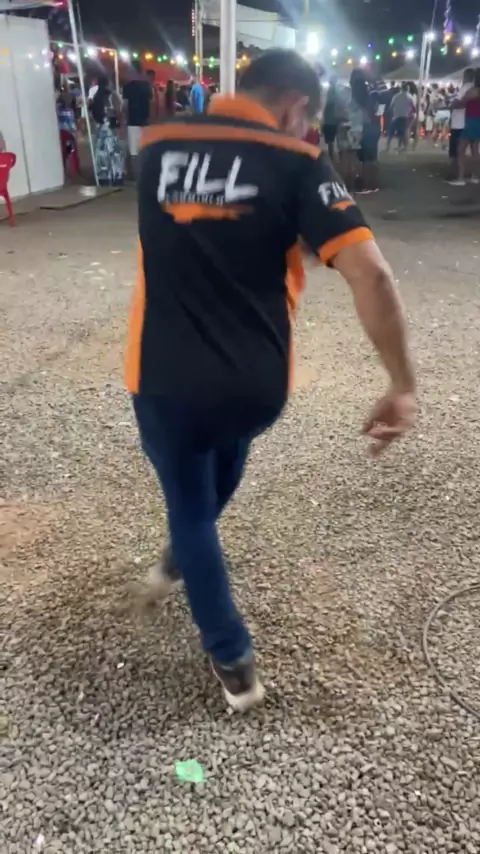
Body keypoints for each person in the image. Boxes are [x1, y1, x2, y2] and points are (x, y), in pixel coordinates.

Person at [125, 48, 416, 711]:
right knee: (214, 477)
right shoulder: (296, 161)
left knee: (191, 505)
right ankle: (187, 567)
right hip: (253, 383)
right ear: (295, 108)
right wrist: (402, 383)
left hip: (163, 373)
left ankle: (232, 656)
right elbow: (371, 274)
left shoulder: (159, 142)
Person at [89, 76, 124, 186]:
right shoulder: (112, 96)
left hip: (100, 128)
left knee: (101, 154)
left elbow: (92, 113)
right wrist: (121, 124)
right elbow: (118, 111)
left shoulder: (96, 97)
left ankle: (103, 177)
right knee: (115, 154)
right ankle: (117, 177)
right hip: (111, 128)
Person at [122, 60, 152, 175]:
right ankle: (145, 173)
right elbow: (151, 104)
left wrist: (123, 120)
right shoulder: (147, 86)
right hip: (145, 121)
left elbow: (125, 106)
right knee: (144, 149)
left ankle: (137, 175)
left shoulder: (127, 87)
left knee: (134, 151)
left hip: (133, 121)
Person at [449, 67, 476, 186]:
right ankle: (474, 176)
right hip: (473, 121)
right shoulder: (475, 89)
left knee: (459, 151)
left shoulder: (467, 89)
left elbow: (459, 103)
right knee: (474, 150)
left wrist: (452, 104)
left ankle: (459, 177)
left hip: (461, 122)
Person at [387, 82, 415, 152]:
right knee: (402, 132)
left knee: (391, 132)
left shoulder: (396, 96)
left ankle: (388, 146)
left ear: (401, 89)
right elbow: (413, 108)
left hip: (396, 116)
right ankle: (403, 147)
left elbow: (390, 107)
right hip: (404, 117)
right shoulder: (410, 97)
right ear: (408, 89)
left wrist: (392, 114)